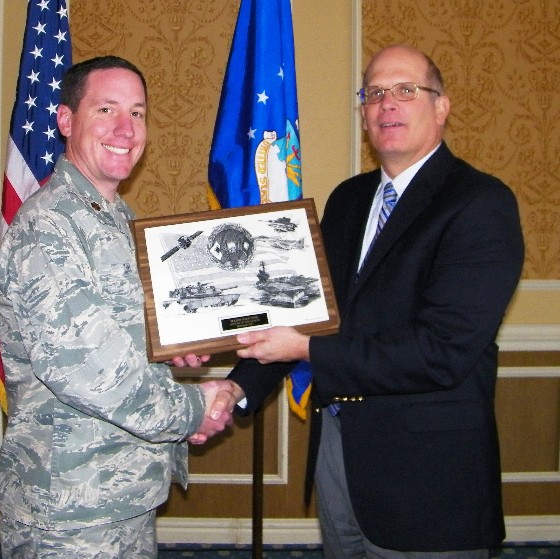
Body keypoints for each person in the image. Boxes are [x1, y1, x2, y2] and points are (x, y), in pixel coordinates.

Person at [222, 45, 525, 558]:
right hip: (338, 458)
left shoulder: (480, 204)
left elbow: (442, 350)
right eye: (375, 93)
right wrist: (235, 389)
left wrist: (307, 352)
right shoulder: (348, 199)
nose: (388, 104)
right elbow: (304, 313)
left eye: (406, 90)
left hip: (429, 481)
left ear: (441, 106)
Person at [0, 56, 236, 558]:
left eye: (138, 113)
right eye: (106, 109)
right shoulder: (50, 228)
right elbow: (90, 369)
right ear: (65, 121)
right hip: (68, 511)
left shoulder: (116, 219)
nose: (125, 129)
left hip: (119, 494)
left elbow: (115, 329)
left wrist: (168, 345)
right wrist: (193, 409)